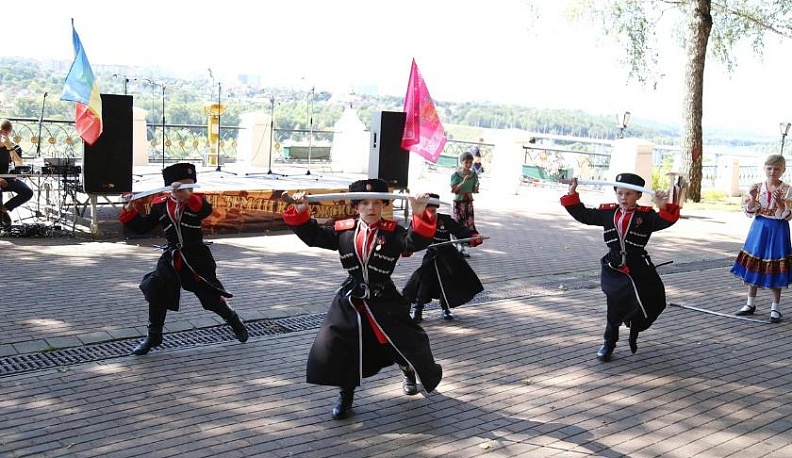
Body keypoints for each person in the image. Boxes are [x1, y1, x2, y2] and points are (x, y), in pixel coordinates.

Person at [282, 178, 443, 420]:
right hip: (351, 300)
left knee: (399, 343)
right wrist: (302, 211)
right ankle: (345, 396)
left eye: (377, 203)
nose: (372, 208)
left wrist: (419, 213)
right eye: (365, 203)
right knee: (341, 346)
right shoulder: (343, 230)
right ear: (355, 207)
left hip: (384, 300)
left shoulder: (393, 232)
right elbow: (313, 236)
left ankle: (408, 370)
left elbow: (415, 241)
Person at [119, 163, 249, 355]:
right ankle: (153, 336)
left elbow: (204, 210)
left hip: (196, 257)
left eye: (190, 186)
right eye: (182, 186)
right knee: (157, 290)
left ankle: (232, 318)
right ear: (170, 186)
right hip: (172, 257)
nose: (187, 190)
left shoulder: (197, 201)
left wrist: (188, 197)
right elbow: (142, 227)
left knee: (210, 297)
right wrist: (130, 208)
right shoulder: (160, 204)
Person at [560, 173, 680, 362]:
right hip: (614, 266)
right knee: (614, 304)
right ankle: (609, 342)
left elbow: (666, 220)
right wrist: (572, 192)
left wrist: (661, 205)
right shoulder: (608, 213)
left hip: (639, 265)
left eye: (629, 194)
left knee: (655, 299)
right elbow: (583, 215)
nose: (624, 198)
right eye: (620, 193)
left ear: (639, 196)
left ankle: (634, 324)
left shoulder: (645, 216)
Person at [403, 193, 485, 321]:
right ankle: (418, 310)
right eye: (428, 210)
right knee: (423, 282)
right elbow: (409, 238)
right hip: (431, 256)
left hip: (447, 257)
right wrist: (407, 250)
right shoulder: (418, 220)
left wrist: (474, 237)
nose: (431, 213)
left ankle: (445, 308)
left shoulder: (444, 220)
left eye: (433, 210)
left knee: (446, 283)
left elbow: (460, 231)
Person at [730, 154, 792, 323]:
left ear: (783, 170)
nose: (773, 171)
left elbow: (787, 216)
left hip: (778, 229)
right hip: (759, 227)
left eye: (777, 168)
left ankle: (775, 308)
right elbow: (749, 212)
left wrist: (780, 203)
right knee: (754, 262)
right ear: (764, 168)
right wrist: (751, 198)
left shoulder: (788, 189)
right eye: (769, 168)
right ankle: (750, 303)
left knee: (775, 264)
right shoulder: (756, 187)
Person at [0, 119, 34, 228]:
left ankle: (2, 210)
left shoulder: (14, 147)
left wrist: (10, 147)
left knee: (27, 192)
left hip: (8, 178)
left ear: (9, 133)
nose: (3, 135)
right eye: (1, 132)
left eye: (6, 133)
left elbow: (19, 164)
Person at [450, 149, 480, 257]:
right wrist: (463, 183)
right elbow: (454, 190)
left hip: (468, 202)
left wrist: (476, 186)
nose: (468, 165)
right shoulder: (456, 175)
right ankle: (458, 246)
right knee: (459, 224)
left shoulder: (473, 175)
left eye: (470, 162)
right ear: (461, 162)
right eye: (466, 162)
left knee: (468, 225)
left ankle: (463, 247)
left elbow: (475, 190)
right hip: (459, 202)